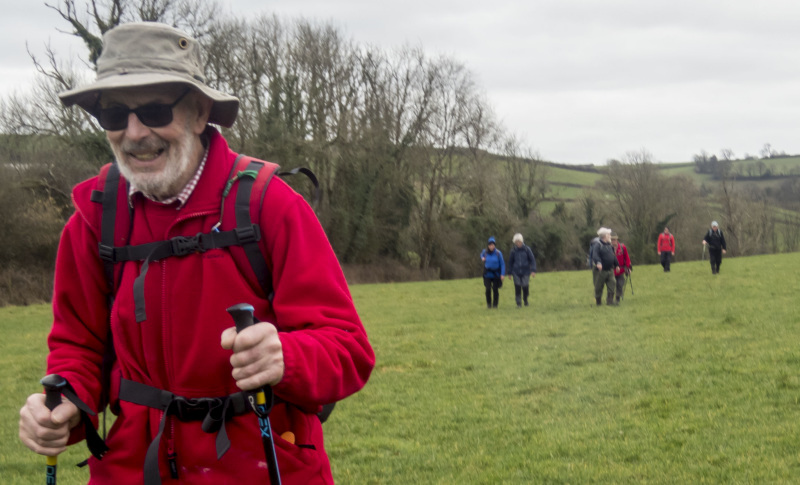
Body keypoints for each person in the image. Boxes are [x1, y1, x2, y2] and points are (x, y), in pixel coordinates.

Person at [18, 22, 375, 485]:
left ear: (200, 111)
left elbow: (348, 348)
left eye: (153, 109)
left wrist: (286, 354)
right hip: (132, 469)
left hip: (262, 467)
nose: (134, 133)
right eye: (113, 115)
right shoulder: (92, 223)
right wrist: (64, 401)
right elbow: (79, 347)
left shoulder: (271, 206)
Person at [591, 227, 619, 306]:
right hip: (600, 271)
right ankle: (598, 302)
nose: (610, 236)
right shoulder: (597, 245)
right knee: (598, 286)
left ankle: (610, 301)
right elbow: (595, 255)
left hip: (610, 270)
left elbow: (613, 256)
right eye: (609, 235)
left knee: (612, 282)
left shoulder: (609, 245)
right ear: (605, 236)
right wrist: (598, 263)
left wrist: (616, 265)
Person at [508, 233, 536, 308]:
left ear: (522, 241)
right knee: (517, 287)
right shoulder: (513, 251)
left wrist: (533, 270)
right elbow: (510, 262)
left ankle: (525, 299)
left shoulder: (527, 249)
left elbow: (532, 260)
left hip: (526, 271)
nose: (518, 243)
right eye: (516, 242)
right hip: (516, 272)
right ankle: (518, 303)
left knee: (525, 286)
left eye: (519, 241)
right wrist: (509, 272)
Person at [480, 236, 505, 308]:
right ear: (488, 245)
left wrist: (502, 274)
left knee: (495, 289)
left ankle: (495, 304)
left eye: (493, 245)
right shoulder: (485, 252)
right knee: (488, 289)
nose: (491, 246)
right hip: (487, 274)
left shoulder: (498, 253)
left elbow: (502, 264)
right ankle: (489, 304)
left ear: (494, 245)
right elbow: (481, 255)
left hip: (496, 274)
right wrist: (482, 258)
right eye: (490, 245)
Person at [610, 233, 632, 304]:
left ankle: (617, 299)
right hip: (611, 271)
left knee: (620, 284)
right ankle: (610, 300)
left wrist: (628, 268)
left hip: (621, 270)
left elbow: (627, 258)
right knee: (612, 285)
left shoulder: (622, 247)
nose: (613, 241)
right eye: (612, 240)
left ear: (617, 240)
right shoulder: (608, 248)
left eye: (614, 240)